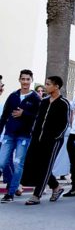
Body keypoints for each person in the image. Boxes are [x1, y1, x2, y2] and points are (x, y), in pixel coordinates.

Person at [19, 76, 70, 205]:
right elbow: (38, 119)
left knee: (46, 166)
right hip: (37, 138)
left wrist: (55, 136)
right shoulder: (44, 101)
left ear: (56, 86)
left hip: (53, 141)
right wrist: (34, 133)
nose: (46, 86)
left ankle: (37, 195)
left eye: (48, 84)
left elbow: (65, 123)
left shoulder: (63, 103)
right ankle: (56, 187)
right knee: (36, 165)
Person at [0, 69, 42, 203]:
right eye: (23, 79)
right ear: (19, 80)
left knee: (18, 164)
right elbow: (5, 115)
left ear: (31, 80)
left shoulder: (35, 98)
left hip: (24, 136)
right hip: (9, 134)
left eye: (27, 79)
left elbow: (39, 117)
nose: (25, 82)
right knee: (2, 162)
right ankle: (15, 184)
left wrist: (24, 114)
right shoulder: (13, 96)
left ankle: (10, 193)